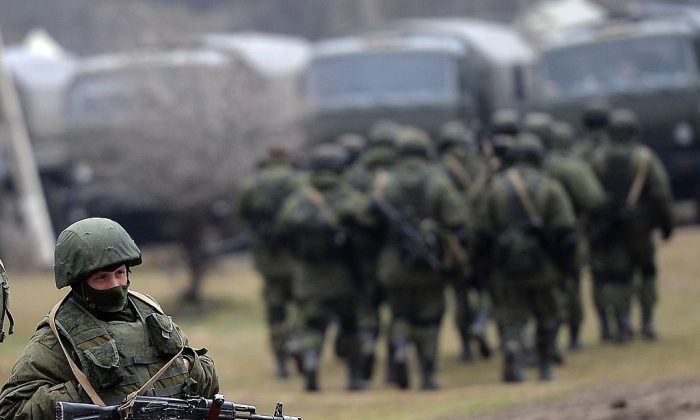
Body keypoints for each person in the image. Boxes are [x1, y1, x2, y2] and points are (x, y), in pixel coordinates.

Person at [0, 217, 219, 419]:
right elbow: (12, 410)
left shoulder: (150, 313)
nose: (115, 285)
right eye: (102, 277)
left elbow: (206, 378)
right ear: (80, 283)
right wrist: (86, 392)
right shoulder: (58, 335)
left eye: (119, 273)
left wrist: (188, 365)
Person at [477, 135, 577, 382]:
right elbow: (566, 231)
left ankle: (513, 350)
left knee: (512, 317)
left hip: (507, 265)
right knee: (549, 315)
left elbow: (481, 231)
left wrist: (483, 266)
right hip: (544, 265)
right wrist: (567, 265)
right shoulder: (549, 187)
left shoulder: (496, 187)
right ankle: (544, 365)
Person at [375, 127, 464, 390]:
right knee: (430, 318)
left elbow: (369, 221)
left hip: (394, 264)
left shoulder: (384, 183)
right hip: (430, 264)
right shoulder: (439, 181)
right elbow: (456, 220)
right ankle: (427, 374)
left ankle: (400, 348)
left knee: (400, 314)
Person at [278, 144, 373, 392]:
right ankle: (354, 378)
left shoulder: (299, 198)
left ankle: (309, 359)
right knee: (350, 325)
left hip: (308, 278)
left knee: (312, 326)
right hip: (344, 277)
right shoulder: (348, 195)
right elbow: (368, 220)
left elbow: (282, 228)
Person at [588, 109, 674, 343]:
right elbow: (660, 193)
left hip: (612, 230)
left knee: (619, 276)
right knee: (647, 272)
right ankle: (647, 322)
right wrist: (667, 224)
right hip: (641, 227)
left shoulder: (597, 158)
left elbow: (591, 196)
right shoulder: (644, 157)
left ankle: (622, 322)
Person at [237, 146, 301, 378]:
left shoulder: (252, 184)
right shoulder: (298, 181)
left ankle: (281, 360)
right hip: (296, 258)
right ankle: (297, 341)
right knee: (301, 305)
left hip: (268, 259)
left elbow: (241, 212)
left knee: (276, 310)